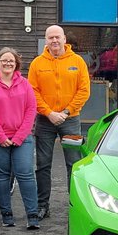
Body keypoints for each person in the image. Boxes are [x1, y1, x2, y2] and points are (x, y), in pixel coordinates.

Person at [28, 25, 90, 219]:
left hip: (70, 120)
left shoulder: (77, 62)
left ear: (64, 39)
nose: (54, 41)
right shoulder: (37, 63)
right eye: (50, 37)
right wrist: (48, 112)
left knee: (74, 163)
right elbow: (33, 92)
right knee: (43, 164)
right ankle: (42, 206)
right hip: (45, 121)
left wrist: (66, 111)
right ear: (46, 41)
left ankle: (76, 205)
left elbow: (84, 90)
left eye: (57, 37)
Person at [0, 47, 41, 229]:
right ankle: (6, 215)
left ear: (16, 64)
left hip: (22, 138)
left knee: (25, 174)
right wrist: (0, 136)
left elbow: (31, 110)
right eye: (4, 60)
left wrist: (20, 136)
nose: (7, 63)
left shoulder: (25, 84)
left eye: (11, 60)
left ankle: (32, 215)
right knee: (1, 176)